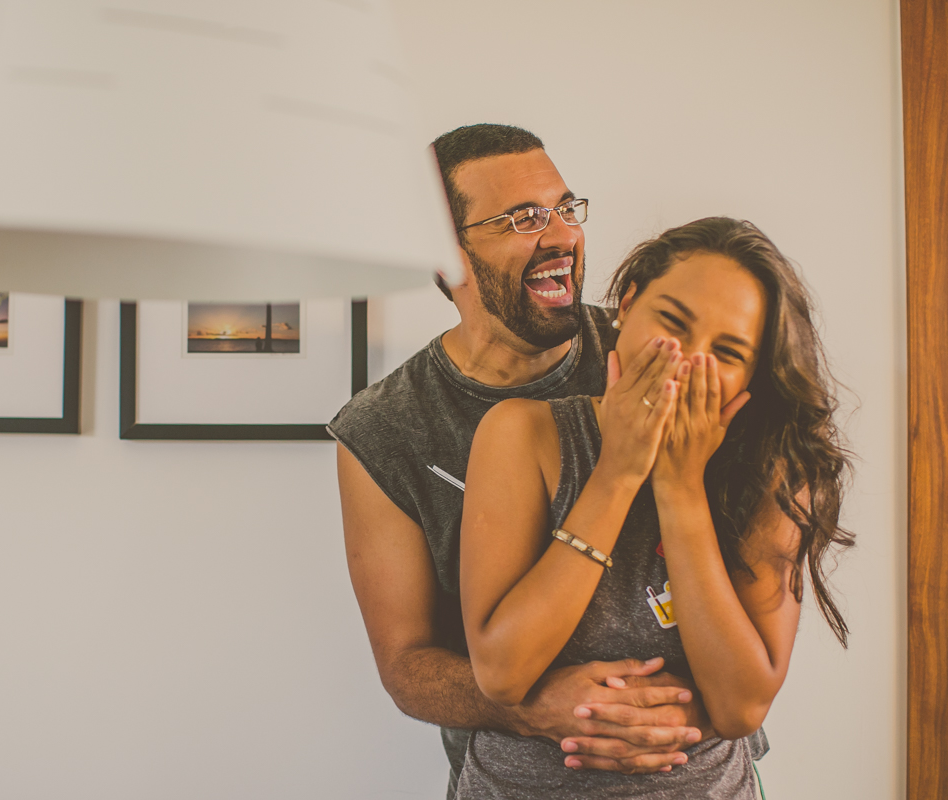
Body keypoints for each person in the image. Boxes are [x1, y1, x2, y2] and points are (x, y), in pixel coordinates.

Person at [329, 124, 765, 797]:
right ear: (447, 256)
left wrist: (672, 716)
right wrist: (531, 709)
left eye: (565, 208)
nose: (562, 234)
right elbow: (406, 666)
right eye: (524, 218)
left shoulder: (659, 344)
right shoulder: (385, 430)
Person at [455, 217, 854, 798]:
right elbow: (502, 673)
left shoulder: (777, 475)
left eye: (727, 351)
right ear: (629, 302)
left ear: (752, 376)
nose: (687, 363)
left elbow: (741, 705)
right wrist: (617, 472)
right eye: (673, 323)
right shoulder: (522, 435)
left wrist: (680, 486)